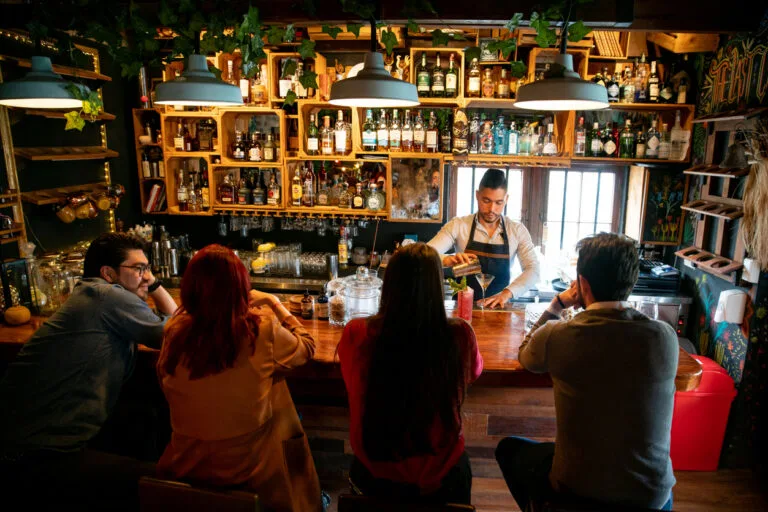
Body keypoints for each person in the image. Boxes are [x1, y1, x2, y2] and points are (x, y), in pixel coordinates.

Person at [495, 233, 677, 511]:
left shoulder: (559, 335)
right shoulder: (664, 337)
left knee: (509, 449)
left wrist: (557, 304)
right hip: (653, 498)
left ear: (583, 283)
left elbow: (525, 355)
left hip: (577, 490)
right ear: (632, 280)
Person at [0, 232, 177, 508]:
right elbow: (175, 334)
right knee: (165, 488)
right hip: (36, 454)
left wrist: (149, 280)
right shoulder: (107, 296)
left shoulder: (95, 293)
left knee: (147, 422)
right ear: (108, 273)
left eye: (147, 268)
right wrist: (153, 285)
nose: (146, 276)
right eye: (138, 268)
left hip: (37, 441)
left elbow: (172, 324)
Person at [156, 244, 322, 512]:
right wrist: (275, 303)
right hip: (249, 473)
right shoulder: (260, 329)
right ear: (241, 287)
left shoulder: (174, 330)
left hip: (185, 466)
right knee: (278, 397)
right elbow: (307, 348)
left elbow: (164, 384)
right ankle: (306, 497)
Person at [338, 242, 483, 504]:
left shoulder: (357, 332)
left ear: (388, 284)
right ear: (437, 284)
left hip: (375, 473)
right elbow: (473, 372)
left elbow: (351, 381)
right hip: (442, 475)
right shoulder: (460, 334)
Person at [427, 168, 540, 309]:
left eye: (499, 202)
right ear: (477, 195)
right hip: (462, 310)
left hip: (499, 309)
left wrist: (506, 294)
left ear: (506, 199)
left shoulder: (516, 231)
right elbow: (425, 254)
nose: (492, 209)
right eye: (486, 201)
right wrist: (447, 259)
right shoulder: (458, 225)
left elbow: (533, 269)